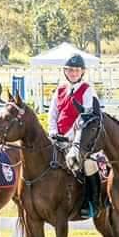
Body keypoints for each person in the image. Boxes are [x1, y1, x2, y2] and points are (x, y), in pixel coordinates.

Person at [48, 54, 101, 217]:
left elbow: (84, 117)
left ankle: (92, 202)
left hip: (78, 139)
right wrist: (52, 131)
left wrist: (71, 136)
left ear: (82, 72)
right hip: (58, 138)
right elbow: (53, 113)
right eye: (70, 70)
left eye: (76, 70)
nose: (73, 73)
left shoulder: (88, 89)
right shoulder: (60, 89)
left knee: (89, 164)